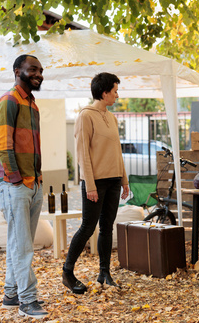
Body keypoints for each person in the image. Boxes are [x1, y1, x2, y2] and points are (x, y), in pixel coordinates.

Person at [62, 72, 129, 294]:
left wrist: (124, 180)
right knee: (88, 226)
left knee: (107, 227)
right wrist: (89, 185)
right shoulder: (85, 116)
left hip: (113, 182)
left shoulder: (111, 117)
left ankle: (104, 273)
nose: (117, 95)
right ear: (104, 92)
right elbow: (82, 154)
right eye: (115, 91)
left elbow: (117, 152)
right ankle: (68, 272)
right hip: (95, 183)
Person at [0, 54, 48, 319]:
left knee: (19, 242)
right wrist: (16, 180)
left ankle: (11, 294)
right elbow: (3, 145)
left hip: (32, 183)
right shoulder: (9, 101)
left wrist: (35, 180)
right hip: (16, 185)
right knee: (23, 246)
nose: (39, 73)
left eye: (40, 70)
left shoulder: (32, 104)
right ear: (18, 71)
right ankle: (28, 300)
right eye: (33, 69)